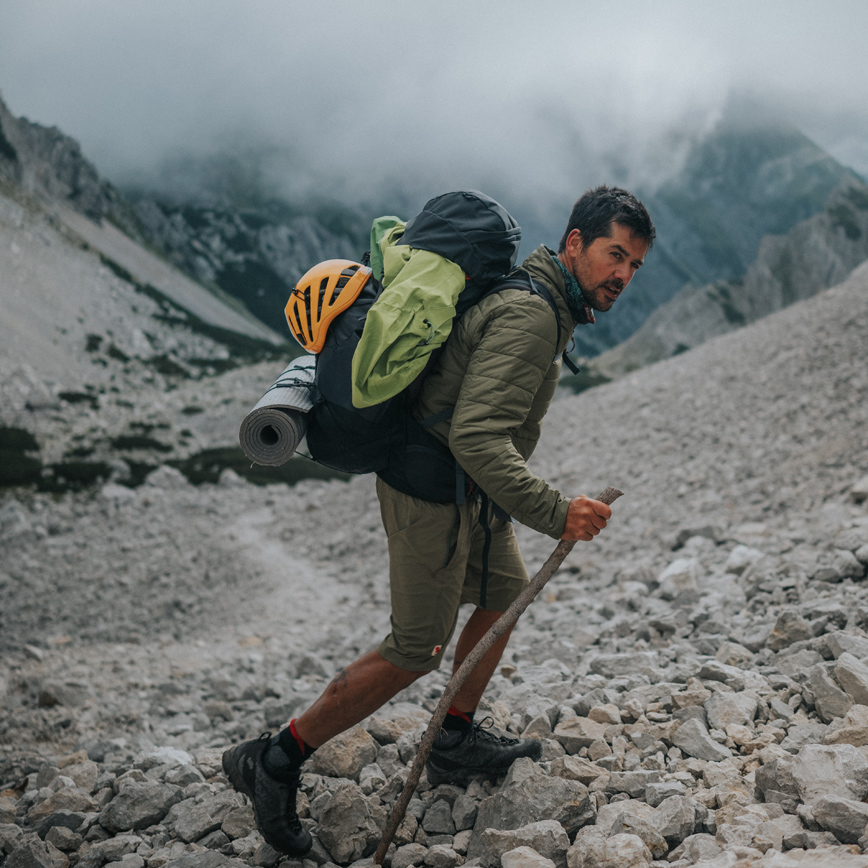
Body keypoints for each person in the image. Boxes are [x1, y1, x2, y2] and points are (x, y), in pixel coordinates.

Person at [222, 185, 655, 856]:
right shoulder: (533, 315)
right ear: (575, 244)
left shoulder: (543, 299)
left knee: (503, 594)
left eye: (634, 265)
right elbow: (478, 439)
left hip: (467, 492)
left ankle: (452, 738)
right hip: (431, 491)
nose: (623, 275)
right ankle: (274, 758)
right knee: (416, 648)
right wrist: (556, 511)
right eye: (614, 255)